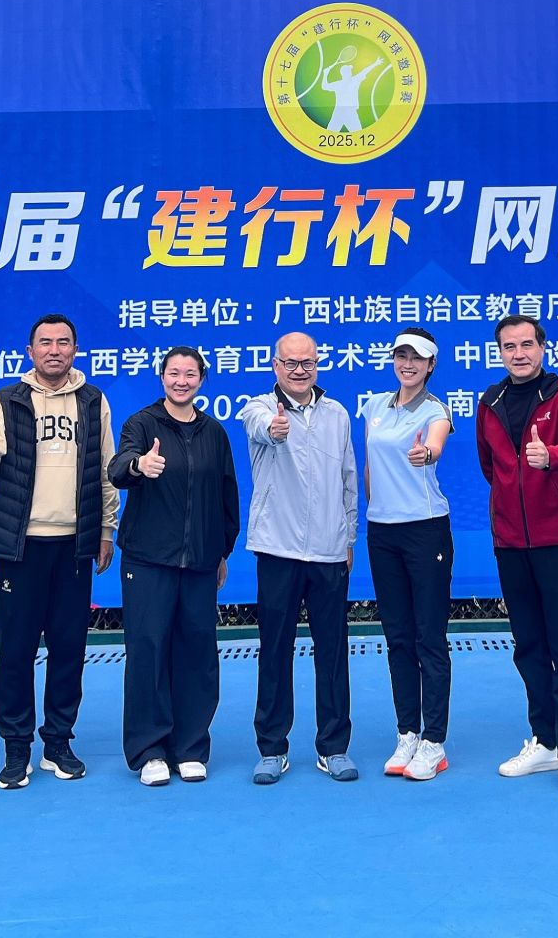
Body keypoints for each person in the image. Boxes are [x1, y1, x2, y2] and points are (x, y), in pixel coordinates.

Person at [0, 314, 118, 790]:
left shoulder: (93, 400)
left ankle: (58, 743)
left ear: (75, 349)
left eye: (63, 342)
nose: (54, 350)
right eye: (45, 343)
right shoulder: (8, 400)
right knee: (16, 651)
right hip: (21, 545)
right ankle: (16, 748)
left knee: (69, 649)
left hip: (74, 545)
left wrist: (106, 529)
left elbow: (106, 468)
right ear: (29, 352)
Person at [108, 346, 239, 787]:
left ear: (201, 379)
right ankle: (150, 750)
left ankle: (190, 747)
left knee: (197, 652)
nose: (181, 381)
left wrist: (221, 551)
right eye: (173, 373)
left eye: (190, 374)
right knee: (148, 650)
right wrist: (139, 465)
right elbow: (117, 468)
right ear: (161, 377)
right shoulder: (142, 424)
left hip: (200, 561)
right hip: (148, 560)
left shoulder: (213, 432)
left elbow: (227, 496)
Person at [477, 315, 558, 796]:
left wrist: (552, 457)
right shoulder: (489, 401)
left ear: (542, 349)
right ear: (500, 352)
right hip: (510, 542)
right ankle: (545, 740)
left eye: (527, 344)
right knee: (528, 646)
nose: (519, 353)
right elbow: (490, 467)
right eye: (510, 346)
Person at [239, 333, 359, 785]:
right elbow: (259, 427)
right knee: (274, 650)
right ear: (276, 365)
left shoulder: (337, 414)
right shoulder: (258, 408)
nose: (299, 370)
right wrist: (274, 429)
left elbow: (348, 476)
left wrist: (349, 535)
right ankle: (272, 748)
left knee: (333, 652)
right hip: (278, 548)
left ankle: (334, 747)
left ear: (317, 364)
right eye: (290, 363)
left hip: (329, 550)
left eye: (307, 362)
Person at [361, 326, 454, 781]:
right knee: (397, 636)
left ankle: (434, 741)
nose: (408, 364)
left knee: (428, 637)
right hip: (382, 532)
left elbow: (434, 445)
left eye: (417, 358)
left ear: (431, 365)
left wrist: (426, 455)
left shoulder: (436, 410)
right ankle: (408, 733)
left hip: (425, 531)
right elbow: (369, 467)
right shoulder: (375, 406)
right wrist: (374, 509)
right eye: (402, 356)